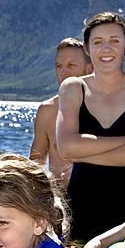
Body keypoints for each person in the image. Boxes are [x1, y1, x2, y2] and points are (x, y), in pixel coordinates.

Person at [56, 12, 125, 243]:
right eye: (97, 42)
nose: (106, 48)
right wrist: (124, 142)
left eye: (114, 41)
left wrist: (83, 153)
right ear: (86, 48)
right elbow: (66, 148)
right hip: (82, 206)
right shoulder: (72, 87)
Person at [30, 37, 92, 185]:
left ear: (89, 69)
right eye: (59, 66)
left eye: (71, 65)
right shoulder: (48, 110)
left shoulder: (106, 110)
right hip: (60, 200)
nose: (63, 72)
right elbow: (34, 166)